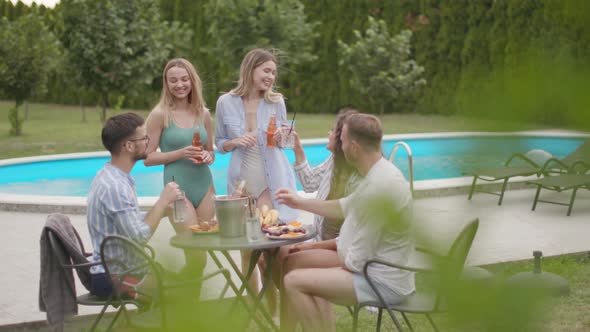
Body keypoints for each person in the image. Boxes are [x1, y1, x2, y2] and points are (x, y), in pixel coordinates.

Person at [275, 113, 415, 332]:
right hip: (370, 266)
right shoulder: (378, 173)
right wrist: (298, 203)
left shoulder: (380, 187)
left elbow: (356, 261)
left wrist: (321, 269)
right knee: (295, 261)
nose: (339, 144)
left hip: (380, 279)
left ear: (355, 148)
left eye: (342, 141)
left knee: (294, 281)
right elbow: (343, 206)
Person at [215, 48, 299, 314]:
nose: (271, 77)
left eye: (273, 72)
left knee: (269, 249)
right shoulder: (225, 102)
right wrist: (234, 141)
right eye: (266, 71)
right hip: (241, 183)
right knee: (246, 251)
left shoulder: (277, 102)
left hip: (270, 181)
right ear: (251, 69)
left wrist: (285, 137)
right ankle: (253, 309)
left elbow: (282, 142)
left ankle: (272, 304)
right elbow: (219, 144)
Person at [86, 112, 188, 298]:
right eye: (144, 138)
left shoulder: (114, 177)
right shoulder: (115, 187)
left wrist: (163, 211)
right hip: (116, 277)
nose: (149, 142)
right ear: (128, 146)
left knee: (185, 283)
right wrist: (162, 200)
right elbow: (138, 237)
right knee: (182, 294)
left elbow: (129, 225)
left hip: (125, 270)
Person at [145, 58, 215, 225]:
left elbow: (211, 152)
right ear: (166, 83)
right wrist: (181, 153)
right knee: (191, 244)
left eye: (184, 79)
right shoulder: (160, 114)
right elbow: (147, 158)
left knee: (205, 241)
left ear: (192, 80)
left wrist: (208, 156)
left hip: (205, 186)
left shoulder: (203, 113)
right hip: (176, 190)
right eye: (173, 80)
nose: (180, 85)